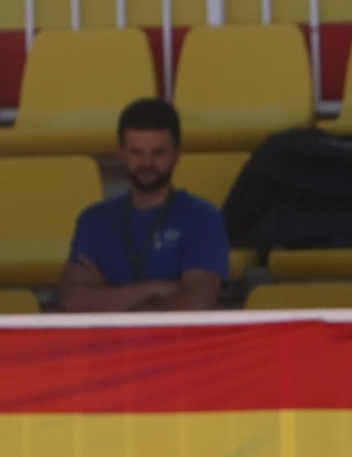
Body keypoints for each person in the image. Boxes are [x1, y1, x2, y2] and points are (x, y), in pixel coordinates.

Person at [58, 96, 228, 314]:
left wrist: (108, 298)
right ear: (121, 153)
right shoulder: (94, 219)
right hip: (110, 347)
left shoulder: (203, 217)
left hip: (179, 345)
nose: (146, 163)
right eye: (136, 152)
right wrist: (152, 289)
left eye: (158, 153)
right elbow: (73, 301)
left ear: (177, 155)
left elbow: (198, 303)